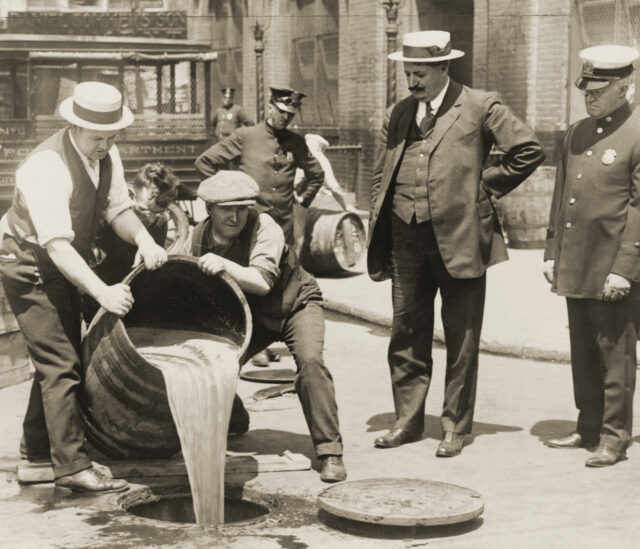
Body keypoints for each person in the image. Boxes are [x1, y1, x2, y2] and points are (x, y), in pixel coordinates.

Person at [368, 30, 545, 457]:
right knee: (406, 332)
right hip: (406, 238)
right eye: (409, 73)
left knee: (461, 337)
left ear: (444, 67)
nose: (413, 81)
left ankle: (455, 427)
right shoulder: (399, 112)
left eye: (421, 73)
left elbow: (528, 150)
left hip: (461, 237)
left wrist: (483, 188)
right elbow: (381, 172)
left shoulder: (481, 104)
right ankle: (407, 422)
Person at [0, 81, 168, 493]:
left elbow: (117, 208)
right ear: (74, 127)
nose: (105, 145)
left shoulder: (106, 152)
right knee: (60, 362)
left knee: (63, 356)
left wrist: (144, 238)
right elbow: (57, 247)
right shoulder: (45, 168)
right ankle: (72, 467)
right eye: (97, 137)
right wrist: (102, 292)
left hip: (57, 258)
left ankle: (37, 456)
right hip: (27, 261)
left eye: (112, 137)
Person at [188, 170, 346, 483]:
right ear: (209, 209)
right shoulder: (199, 236)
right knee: (216, 361)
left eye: (241, 208)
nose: (235, 217)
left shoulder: (264, 226)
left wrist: (225, 264)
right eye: (226, 209)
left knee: (311, 364)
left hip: (295, 304)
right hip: (253, 315)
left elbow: (261, 282)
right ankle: (234, 416)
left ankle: (330, 451)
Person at [544, 45, 640, 467]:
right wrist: (552, 252)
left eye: (600, 90)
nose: (590, 96)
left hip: (613, 266)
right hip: (577, 261)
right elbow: (561, 195)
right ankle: (588, 427)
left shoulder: (638, 132)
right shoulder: (577, 132)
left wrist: (625, 268)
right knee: (583, 349)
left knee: (615, 353)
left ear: (625, 87)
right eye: (587, 88)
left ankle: (615, 437)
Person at [195, 86, 324, 249]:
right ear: (270, 109)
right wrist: (225, 196)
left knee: (284, 268)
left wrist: (303, 198)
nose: (286, 117)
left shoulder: (296, 143)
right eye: (281, 111)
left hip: (283, 225)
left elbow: (317, 174)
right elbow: (204, 162)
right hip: (249, 223)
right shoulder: (246, 136)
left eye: (290, 114)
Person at [81, 162, 180, 322]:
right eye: (143, 212)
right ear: (131, 197)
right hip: (100, 291)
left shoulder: (160, 221)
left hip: (134, 295)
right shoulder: (109, 219)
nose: (149, 219)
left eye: (157, 214)